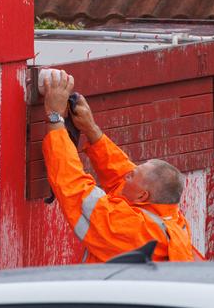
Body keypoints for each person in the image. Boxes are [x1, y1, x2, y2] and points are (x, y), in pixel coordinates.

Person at [41, 69, 202, 262]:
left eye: (133, 175)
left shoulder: (131, 229)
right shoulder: (167, 217)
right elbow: (120, 173)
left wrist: (55, 117)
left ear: (143, 195)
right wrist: (91, 130)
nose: (128, 173)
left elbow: (74, 188)